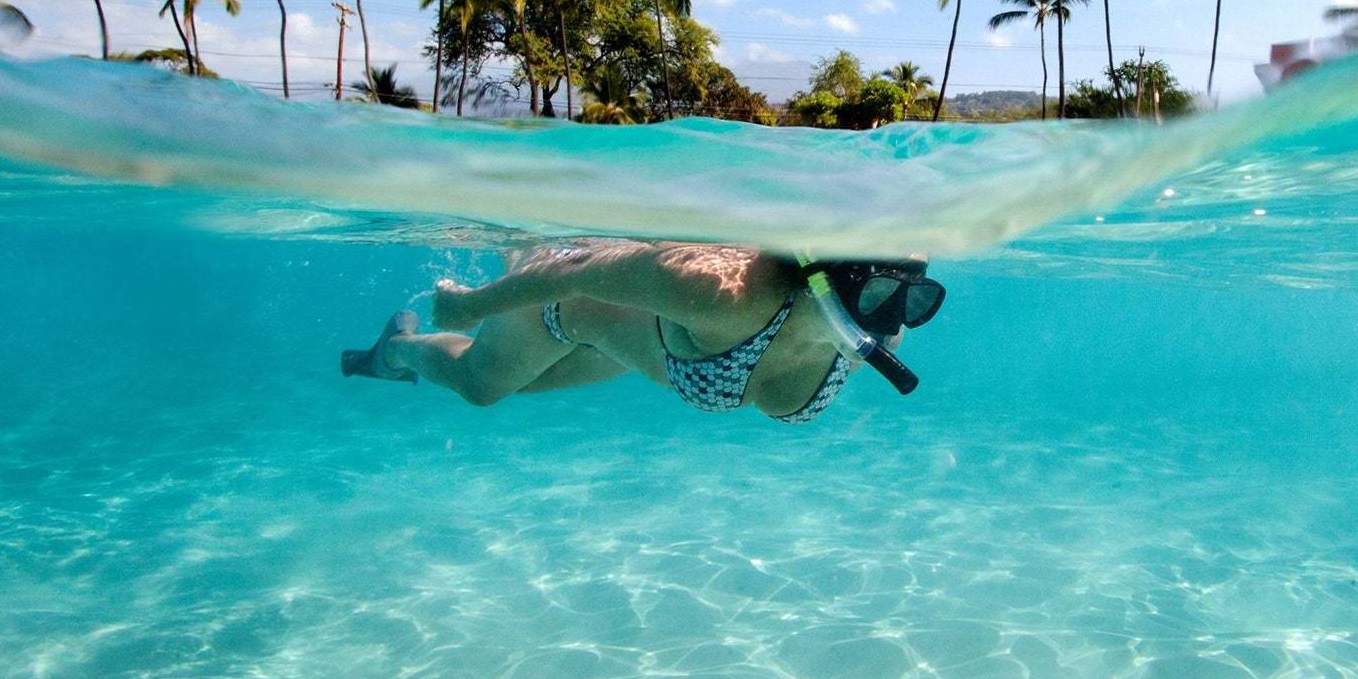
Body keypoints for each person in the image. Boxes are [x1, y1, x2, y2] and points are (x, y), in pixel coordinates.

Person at [341, 240, 943, 422]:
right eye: (877, 294)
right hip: (566, 301)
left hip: (636, 342)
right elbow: (576, 270)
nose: (892, 319)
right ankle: (395, 349)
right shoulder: (724, 293)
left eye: (916, 301)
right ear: (822, 281)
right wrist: (469, 307)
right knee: (481, 385)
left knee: (521, 386)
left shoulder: (883, 330)